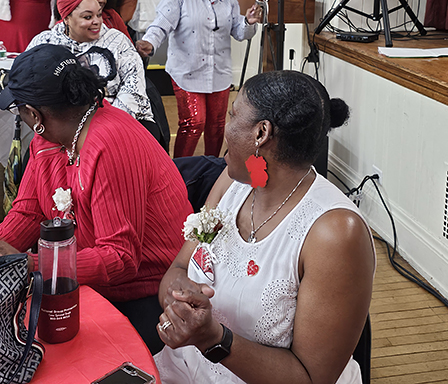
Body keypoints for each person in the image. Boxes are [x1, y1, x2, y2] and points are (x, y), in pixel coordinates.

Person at [155, 70, 375, 384]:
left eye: (232, 115)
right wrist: (179, 302)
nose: (225, 126)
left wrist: (214, 339)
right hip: (182, 369)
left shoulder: (335, 233)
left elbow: (312, 378)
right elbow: (179, 267)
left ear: (261, 133)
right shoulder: (233, 181)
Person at [0, 44, 192, 354]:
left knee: (52, 353)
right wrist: (4, 251)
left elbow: (120, 258)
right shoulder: (48, 138)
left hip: (149, 291)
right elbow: (29, 211)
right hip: (87, 279)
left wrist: (30, 264)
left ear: (34, 114)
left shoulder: (110, 143)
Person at [136, 0, 262, 158]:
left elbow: (239, 32)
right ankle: (180, 170)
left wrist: (249, 22)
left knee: (216, 125)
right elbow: (161, 24)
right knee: (194, 123)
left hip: (219, 73)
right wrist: (150, 42)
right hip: (186, 71)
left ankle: (211, 167)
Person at [28, 0, 157, 135]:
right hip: (62, 130)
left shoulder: (117, 41)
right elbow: (29, 87)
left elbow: (133, 91)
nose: (97, 21)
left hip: (120, 126)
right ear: (66, 18)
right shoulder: (44, 43)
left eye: (99, 14)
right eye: (88, 17)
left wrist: (100, 130)